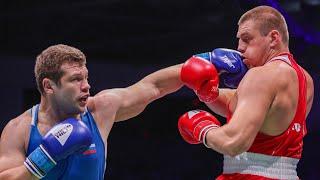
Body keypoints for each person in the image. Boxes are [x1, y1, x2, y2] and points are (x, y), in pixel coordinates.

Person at [0, 44, 185, 179]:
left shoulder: (99, 111)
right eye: (76, 79)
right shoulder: (20, 129)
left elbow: (154, 86)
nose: (87, 86)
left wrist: (203, 62)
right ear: (49, 86)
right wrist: (45, 157)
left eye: (86, 77)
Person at [178, 5, 314, 179]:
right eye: (239, 40)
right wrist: (208, 93)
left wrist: (202, 129)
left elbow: (233, 142)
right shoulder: (305, 79)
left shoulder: (261, 75)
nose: (239, 48)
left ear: (273, 38)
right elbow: (251, 109)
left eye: (247, 38)